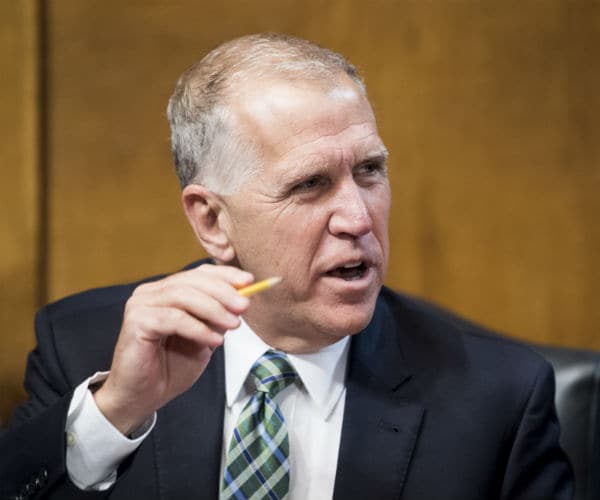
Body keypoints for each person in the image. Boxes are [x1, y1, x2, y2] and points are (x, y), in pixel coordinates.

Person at [0, 33, 572, 500]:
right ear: (213, 222)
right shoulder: (83, 347)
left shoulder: (500, 397)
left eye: (370, 171)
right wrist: (117, 410)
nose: (356, 217)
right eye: (309, 184)